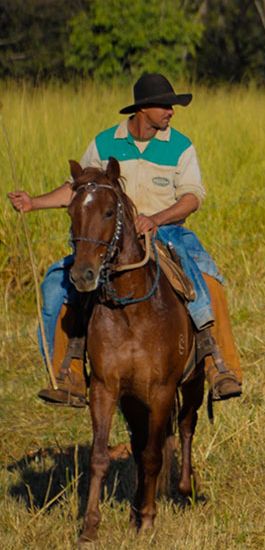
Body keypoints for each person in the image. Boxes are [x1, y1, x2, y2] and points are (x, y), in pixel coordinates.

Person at [8, 73, 244, 406]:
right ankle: (69, 373)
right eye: (165, 105)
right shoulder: (105, 143)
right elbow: (78, 189)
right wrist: (34, 203)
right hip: (109, 238)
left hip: (167, 230)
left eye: (171, 106)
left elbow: (192, 197)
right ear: (143, 109)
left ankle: (220, 366)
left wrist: (155, 219)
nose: (171, 112)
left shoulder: (180, 145)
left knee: (208, 280)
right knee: (53, 286)